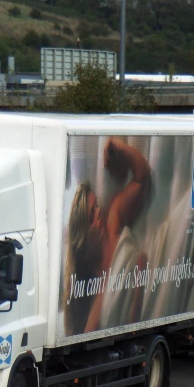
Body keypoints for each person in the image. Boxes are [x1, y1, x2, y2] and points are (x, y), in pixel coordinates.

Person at [63, 137, 152, 336]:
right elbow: (88, 331)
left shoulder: (113, 220)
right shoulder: (91, 276)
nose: (98, 214)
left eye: (95, 206)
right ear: (83, 234)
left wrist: (120, 148)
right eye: (91, 217)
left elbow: (142, 175)